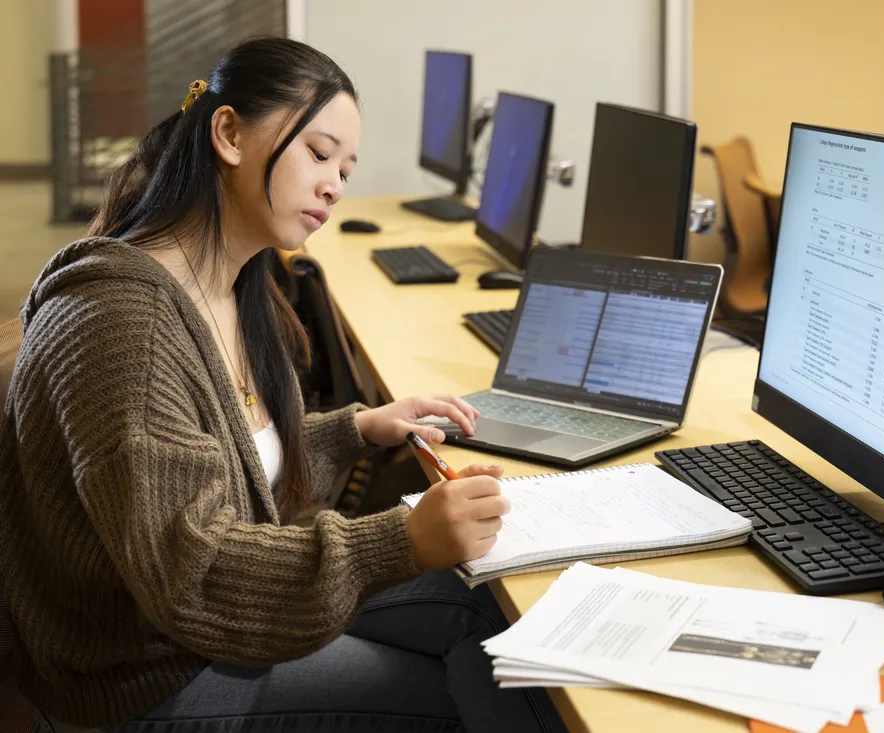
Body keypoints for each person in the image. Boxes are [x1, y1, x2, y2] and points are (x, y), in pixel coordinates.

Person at [0, 37, 564, 733]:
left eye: (345, 170)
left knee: (486, 599)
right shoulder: (128, 325)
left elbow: (222, 461)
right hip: (140, 678)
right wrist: (402, 540)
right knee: (478, 675)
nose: (335, 186)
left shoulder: (228, 284)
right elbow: (193, 575)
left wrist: (353, 430)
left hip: (197, 631)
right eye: (319, 154)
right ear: (229, 134)